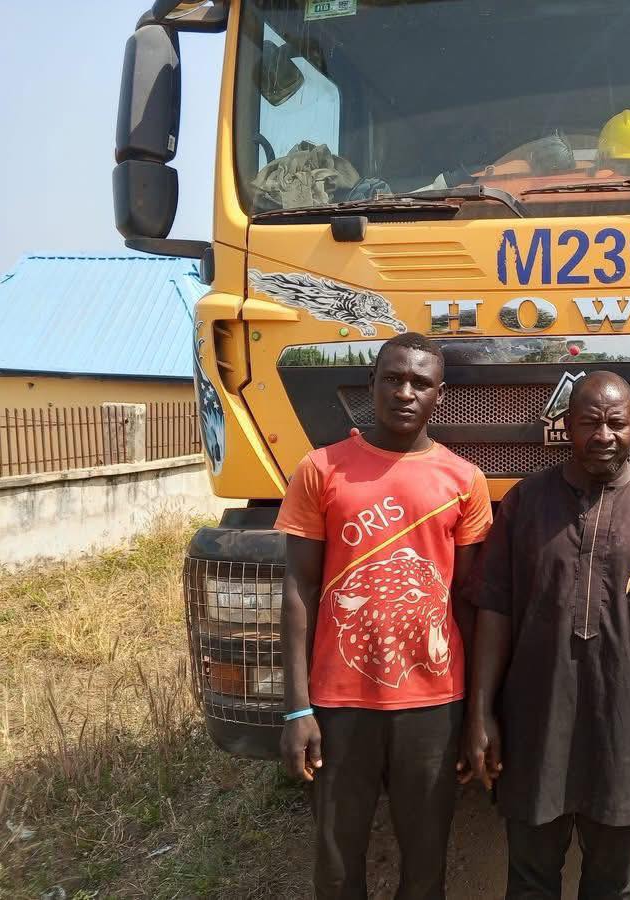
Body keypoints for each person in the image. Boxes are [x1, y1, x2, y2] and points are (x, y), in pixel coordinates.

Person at [464, 371, 630, 899]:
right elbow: (494, 611)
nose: (604, 435)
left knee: (611, 885)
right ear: (567, 427)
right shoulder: (525, 504)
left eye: (616, 423)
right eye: (589, 422)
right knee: (529, 883)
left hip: (624, 734)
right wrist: (481, 714)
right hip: (535, 731)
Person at [275, 332, 492, 898]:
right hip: (339, 703)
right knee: (337, 865)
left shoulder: (465, 480)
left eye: (420, 382)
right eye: (393, 379)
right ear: (371, 384)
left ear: (439, 395)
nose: (405, 392)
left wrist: (476, 714)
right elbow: (299, 588)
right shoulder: (321, 469)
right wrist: (297, 708)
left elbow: (468, 602)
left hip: (434, 705)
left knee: (425, 866)